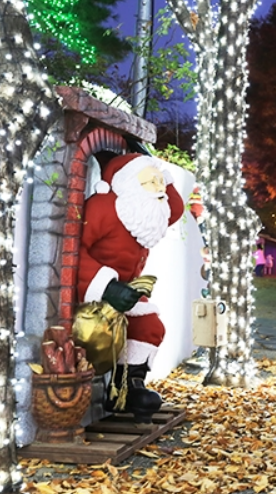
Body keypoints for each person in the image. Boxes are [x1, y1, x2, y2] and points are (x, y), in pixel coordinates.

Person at [76, 152, 185, 423]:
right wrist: (106, 287)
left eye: (160, 182)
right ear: (129, 183)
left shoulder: (148, 212)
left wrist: (157, 168)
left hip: (128, 290)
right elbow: (74, 250)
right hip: (95, 292)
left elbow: (175, 208)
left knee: (149, 326)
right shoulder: (104, 207)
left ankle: (127, 388)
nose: (159, 188)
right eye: (150, 181)